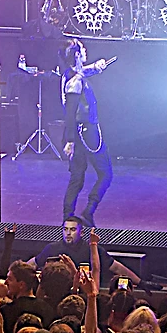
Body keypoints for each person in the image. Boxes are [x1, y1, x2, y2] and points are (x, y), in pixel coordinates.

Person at [60, 39, 115, 226]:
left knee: (77, 177)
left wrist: (97, 66)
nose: (85, 51)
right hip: (86, 134)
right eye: (82, 49)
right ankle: (88, 211)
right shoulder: (74, 82)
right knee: (105, 173)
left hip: (78, 134)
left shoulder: (71, 74)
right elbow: (69, 113)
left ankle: (68, 218)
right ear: (76, 55)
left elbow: (84, 70)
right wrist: (70, 140)